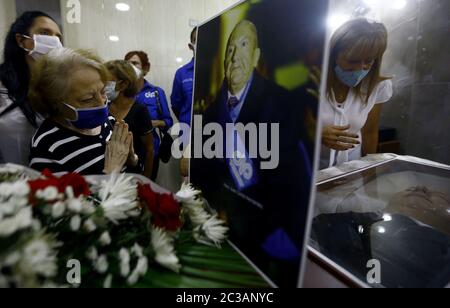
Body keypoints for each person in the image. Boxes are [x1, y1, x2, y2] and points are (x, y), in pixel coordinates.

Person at [191, 20, 312, 282]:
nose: (234, 56)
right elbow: (205, 171)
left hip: (272, 231)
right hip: (225, 227)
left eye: (243, 45)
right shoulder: (211, 113)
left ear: (256, 56)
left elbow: (290, 178)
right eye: (230, 49)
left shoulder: (283, 103)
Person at [28, 48, 136, 175]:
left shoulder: (108, 121)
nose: (102, 104)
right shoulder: (47, 146)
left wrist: (131, 159)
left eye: (103, 92)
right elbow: (65, 195)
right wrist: (111, 171)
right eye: (87, 99)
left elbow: (133, 173)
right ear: (56, 103)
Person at [320, 18, 393, 169]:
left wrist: (369, 170)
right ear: (333, 56)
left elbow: (370, 133)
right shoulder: (311, 81)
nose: (360, 69)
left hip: (351, 167)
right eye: (352, 61)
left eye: (368, 61)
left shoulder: (377, 87)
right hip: (311, 168)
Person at [0, 11, 63, 166]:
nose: (54, 41)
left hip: (54, 183)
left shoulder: (59, 87)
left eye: (58, 37)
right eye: (45, 33)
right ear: (21, 40)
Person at [124, 51, 173, 180]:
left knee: (147, 187)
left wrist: (153, 123)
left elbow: (168, 121)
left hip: (150, 149)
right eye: (127, 64)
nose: (131, 67)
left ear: (145, 68)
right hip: (125, 151)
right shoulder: (120, 92)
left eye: (135, 63)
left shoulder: (156, 92)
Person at [105, 60, 155, 179]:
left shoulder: (139, 110)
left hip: (133, 175)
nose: (103, 85)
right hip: (109, 175)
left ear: (123, 84)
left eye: (107, 82)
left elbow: (149, 150)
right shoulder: (104, 108)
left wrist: (145, 180)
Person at [171, 27, 196, 127]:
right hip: (188, 130)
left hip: (215, 131)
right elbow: (176, 105)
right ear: (191, 46)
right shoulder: (181, 73)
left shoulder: (219, 70)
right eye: (196, 39)